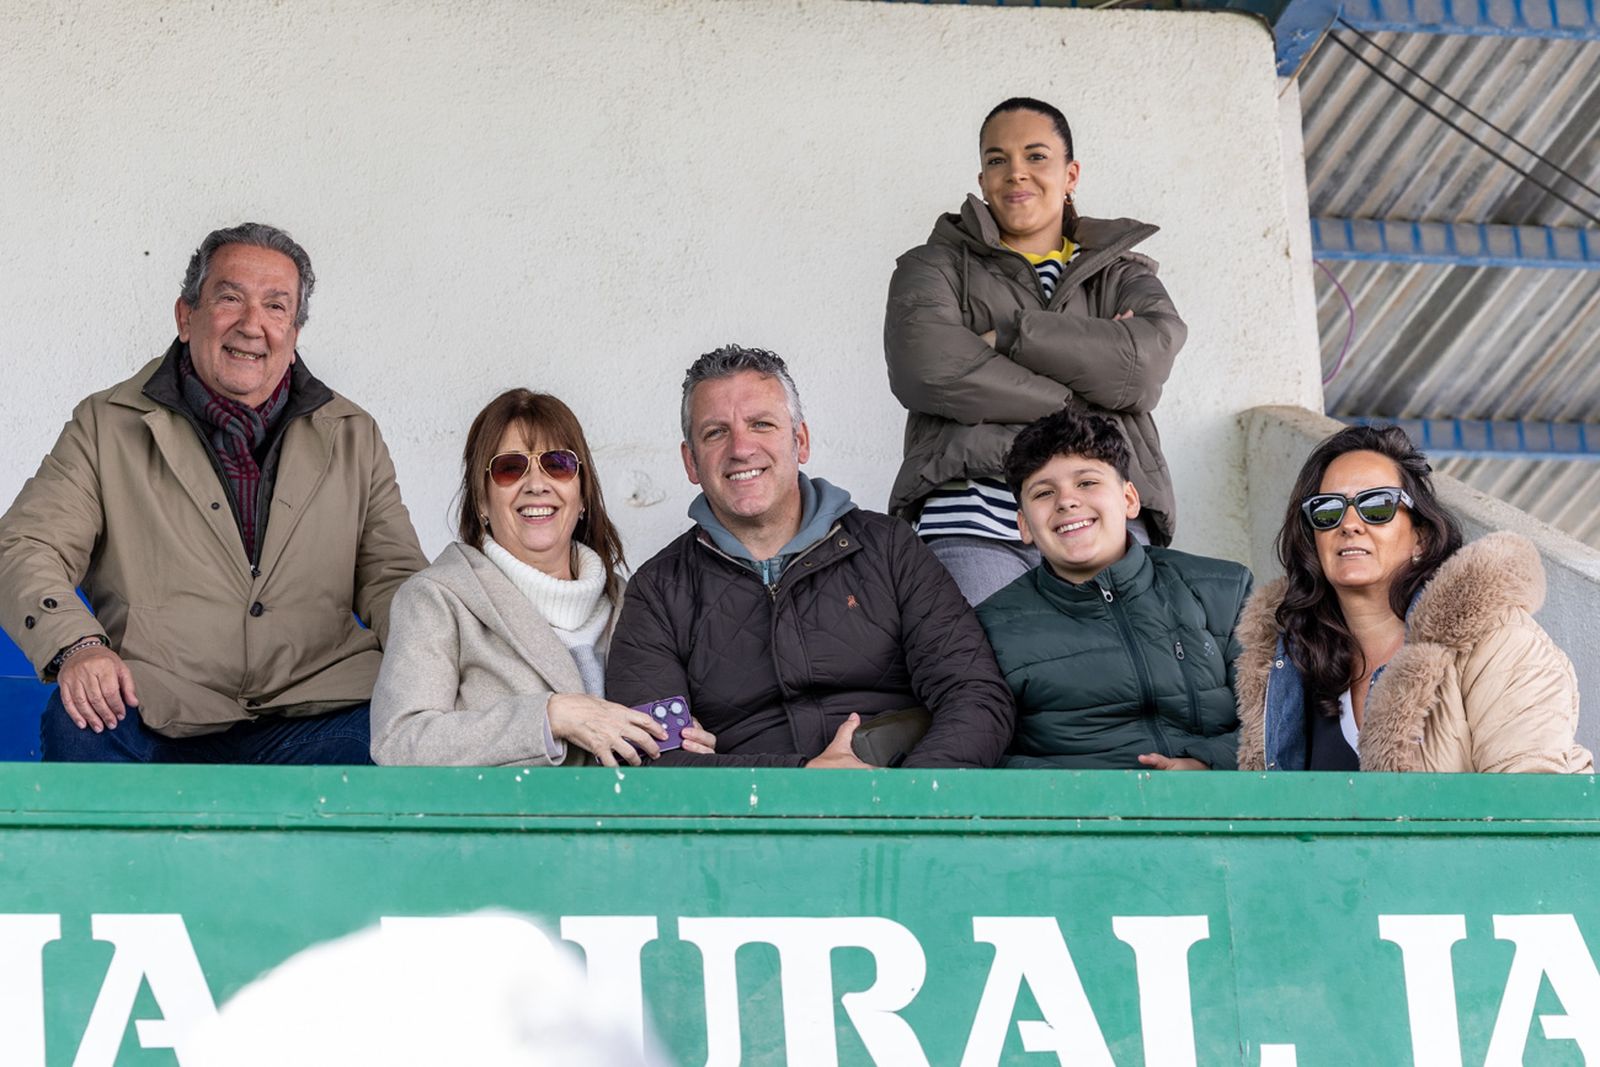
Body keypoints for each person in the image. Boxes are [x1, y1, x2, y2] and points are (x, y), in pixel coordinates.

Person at [0, 222, 428, 763]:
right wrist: (78, 647)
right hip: (156, 709)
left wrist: (435, 666)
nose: (252, 325)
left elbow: (395, 577)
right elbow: (26, 546)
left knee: (401, 739)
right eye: (230, 298)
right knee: (81, 721)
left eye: (276, 307)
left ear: (294, 332)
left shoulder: (352, 434)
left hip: (322, 712)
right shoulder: (106, 424)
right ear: (186, 317)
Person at [605, 345, 1015, 768]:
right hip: (753, 808)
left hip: (900, 789)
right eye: (715, 432)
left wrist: (904, 793)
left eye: (761, 424)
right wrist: (798, 780)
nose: (741, 448)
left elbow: (976, 696)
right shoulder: (659, 590)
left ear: (800, 442)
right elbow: (648, 757)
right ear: (691, 462)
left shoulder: (889, 548)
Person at [884, 96, 1187, 606]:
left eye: (1036, 156)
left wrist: (1007, 338)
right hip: (974, 518)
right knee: (988, 659)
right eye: (997, 159)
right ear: (982, 180)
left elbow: (1142, 367)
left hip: (1101, 515)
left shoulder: (1120, 273)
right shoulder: (932, 266)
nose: (1016, 172)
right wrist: (1082, 394)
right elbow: (929, 368)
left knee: (1119, 658)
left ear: (1071, 174)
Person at [370, 390, 714, 768]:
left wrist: (677, 740)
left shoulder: (634, 600)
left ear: (582, 495)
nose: (537, 484)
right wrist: (550, 717)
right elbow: (399, 742)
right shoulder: (435, 600)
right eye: (510, 467)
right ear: (481, 500)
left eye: (558, 464)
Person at [1236, 424, 1593, 773]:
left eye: (1377, 506)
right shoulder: (1289, 663)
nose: (1349, 524)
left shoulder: (1497, 640)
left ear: (1421, 537)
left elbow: (1531, 798)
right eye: (1327, 510)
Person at [978, 409, 1251, 769]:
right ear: (1024, 525)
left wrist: (1207, 763)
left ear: (1129, 499)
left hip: (1222, 797)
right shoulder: (991, 628)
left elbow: (1277, 715)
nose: (1066, 501)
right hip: (1073, 802)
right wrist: (1079, 789)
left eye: (1087, 483)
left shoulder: (1225, 590)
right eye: (1044, 492)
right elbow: (980, 752)